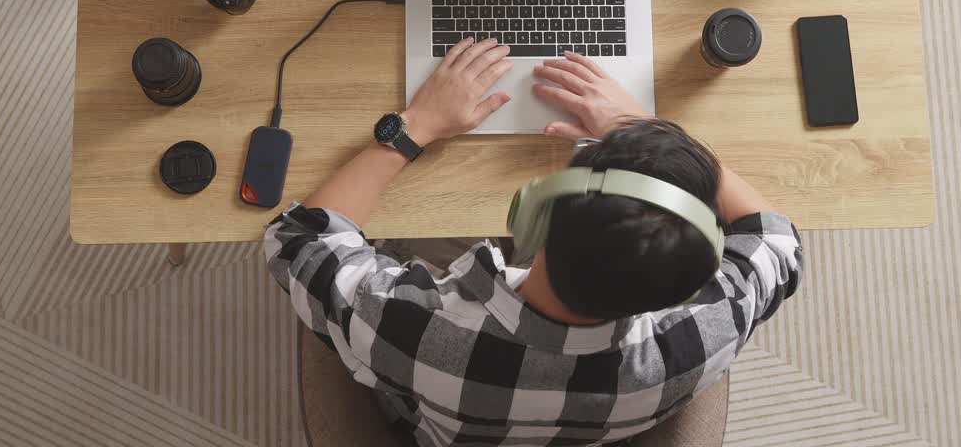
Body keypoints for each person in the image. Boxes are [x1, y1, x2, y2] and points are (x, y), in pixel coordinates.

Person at [265, 37, 803, 447]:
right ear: (691, 281)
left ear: (531, 218)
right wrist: (645, 130)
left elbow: (294, 239)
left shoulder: (412, 328)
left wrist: (416, 125)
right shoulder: (706, 330)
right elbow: (777, 239)